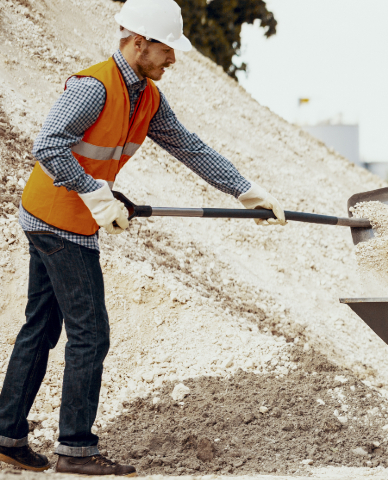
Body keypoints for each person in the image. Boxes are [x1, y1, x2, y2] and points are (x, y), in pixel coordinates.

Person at [0, 0, 285, 475]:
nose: (173, 59)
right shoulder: (95, 86)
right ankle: (76, 449)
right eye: (167, 50)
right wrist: (95, 193)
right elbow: (47, 144)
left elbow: (188, 145)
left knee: (42, 327)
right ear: (138, 43)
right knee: (91, 334)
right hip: (58, 219)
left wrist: (246, 190)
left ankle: (7, 436)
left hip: (66, 215)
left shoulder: (147, 96)